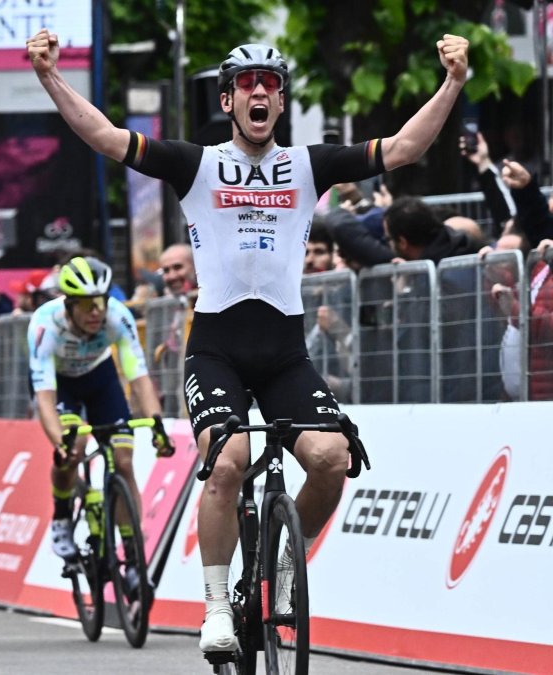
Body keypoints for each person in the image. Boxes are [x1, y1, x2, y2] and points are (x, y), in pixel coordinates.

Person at [27, 28, 469, 653]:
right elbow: (105, 136)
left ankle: (285, 569)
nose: (258, 92)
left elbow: (403, 148)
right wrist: (50, 75)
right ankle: (215, 609)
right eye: (245, 84)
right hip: (216, 350)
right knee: (228, 460)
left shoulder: (309, 165)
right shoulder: (197, 164)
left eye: (269, 84)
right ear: (228, 100)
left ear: (280, 101)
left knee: (332, 459)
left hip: (284, 353)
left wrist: (453, 82)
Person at [27, 257, 171, 578]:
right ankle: (61, 516)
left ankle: (132, 555)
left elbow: (139, 377)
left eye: (101, 302)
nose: (96, 312)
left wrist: (157, 425)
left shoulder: (118, 317)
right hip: (60, 385)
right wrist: (60, 444)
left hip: (99, 377)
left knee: (123, 461)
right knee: (74, 445)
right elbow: (45, 398)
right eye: (86, 305)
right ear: (69, 304)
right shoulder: (44, 325)